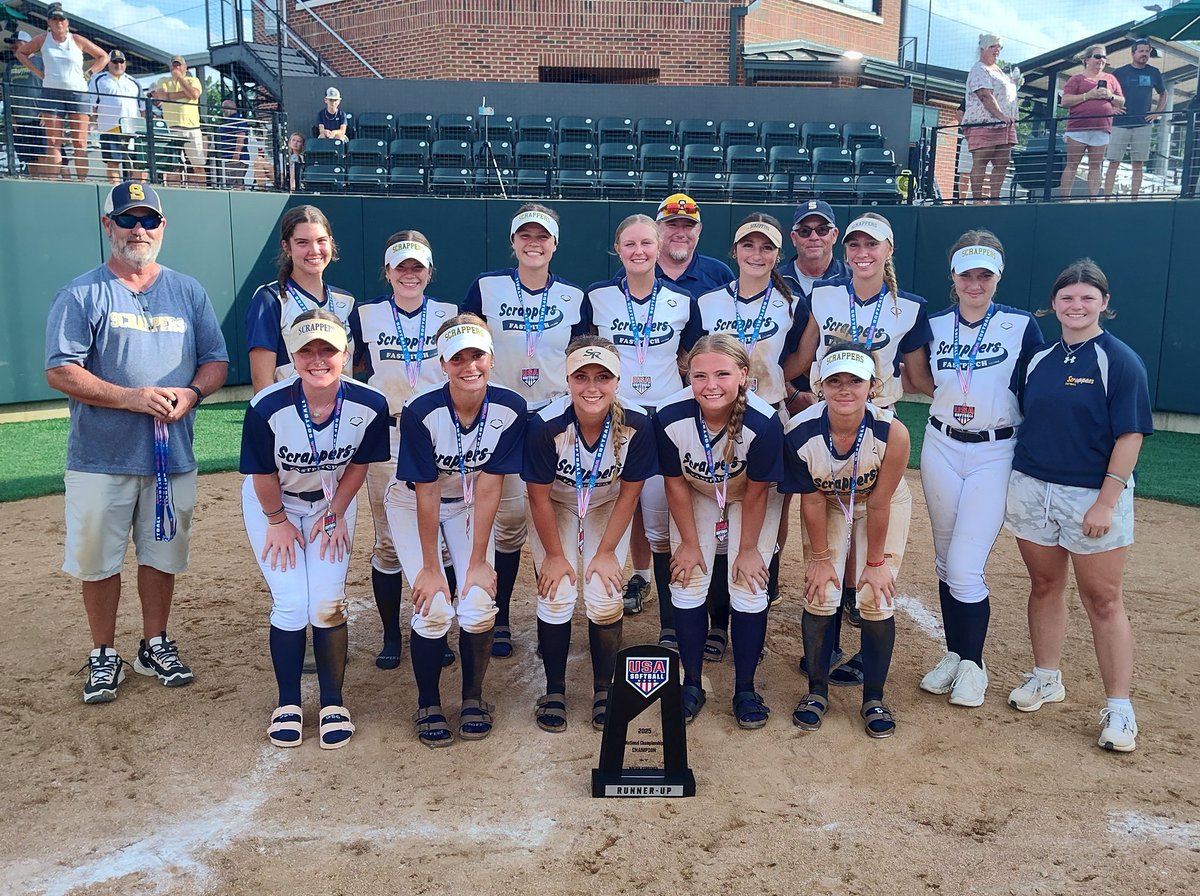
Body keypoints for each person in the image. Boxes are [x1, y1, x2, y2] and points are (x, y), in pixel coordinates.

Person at [44, 181, 229, 704]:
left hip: (172, 456)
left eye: (149, 220)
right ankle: (103, 652)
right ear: (108, 226)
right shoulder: (82, 292)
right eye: (128, 219)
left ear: (163, 228)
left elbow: (216, 360)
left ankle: (155, 642)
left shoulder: (188, 291)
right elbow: (60, 370)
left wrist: (192, 393)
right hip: (100, 458)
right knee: (98, 560)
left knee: (162, 553)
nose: (139, 229)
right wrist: (130, 398)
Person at [1005, 260, 1152, 753]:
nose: (1076, 306)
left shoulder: (1119, 360)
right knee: (1044, 585)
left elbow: (1130, 436)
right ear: (1054, 304)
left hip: (1091, 494)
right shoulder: (1039, 358)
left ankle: (1119, 707)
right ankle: (1047, 677)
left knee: (1104, 600)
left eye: (1088, 298)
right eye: (1068, 297)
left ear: (1104, 304)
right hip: (1033, 486)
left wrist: (1106, 502)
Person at [788, 212, 932, 667]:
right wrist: (787, 389)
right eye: (855, 245)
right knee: (830, 525)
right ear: (844, 250)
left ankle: (855, 606)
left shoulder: (909, 307)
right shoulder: (824, 294)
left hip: (877, 420)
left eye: (873, 245)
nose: (862, 253)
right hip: (829, 414)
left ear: (889, 251)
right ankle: (826, 644)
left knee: (868, 514)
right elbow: (802, 358)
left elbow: (920, 375)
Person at [240, 311, 389, 749]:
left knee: (325, 601)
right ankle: (287, 702)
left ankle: (331, 701)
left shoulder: (370, 403)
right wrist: (277, 522)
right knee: (290, 603)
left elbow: (359, 463)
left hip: (332, 503)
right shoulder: (267, 405)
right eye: (307, 350)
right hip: (275, 504)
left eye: (328, 349)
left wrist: (336, 512)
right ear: (292, 355)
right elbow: (262, 472)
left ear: (347, 353)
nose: (318, 359)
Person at [386, 315, 527, 747]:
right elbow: (425, 491)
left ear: (491, 357)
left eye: (477, 355)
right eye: (458, 357)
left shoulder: (510, 407)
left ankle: (472, 697)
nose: (470, 366)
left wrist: (480, 561)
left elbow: (489, 486)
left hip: (468, 503)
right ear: (443, 363)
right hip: (414, 504)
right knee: (433, 607)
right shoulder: (421, 410)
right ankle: (428, 701)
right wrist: (432, 567)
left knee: (479, 602)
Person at [917, 231, 1043, 708]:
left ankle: (974, 666)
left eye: (984, 275)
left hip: (995, 450)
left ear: (997, 277)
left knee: (966, 569)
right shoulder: (935, 324)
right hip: (942, 444)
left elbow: (1036, 389)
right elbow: (919, 378)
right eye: (966, 274)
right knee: (945, 561)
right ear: (954, 276)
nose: (975, 283)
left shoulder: (1019, 324)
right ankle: (955, 654)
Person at [462, 205, 584, 658]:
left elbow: (583, 354)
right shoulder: (486, 287)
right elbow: (467, 341)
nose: (534, 243)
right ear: (513, 242)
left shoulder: (574, 296)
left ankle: (552, 611)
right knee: (510, 523)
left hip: (555, 415)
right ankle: (501, 617)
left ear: (555, 244)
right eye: (525, 235)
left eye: (543, 236)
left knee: (553, 510)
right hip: (504, 413)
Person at [578, 214, 702, 647]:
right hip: (616, 414)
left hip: (663, 417)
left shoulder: (684, 300)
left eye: (646, 243)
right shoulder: (598, 298)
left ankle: (669, 620)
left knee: (658, 517)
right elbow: (584, 355)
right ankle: (616, 589)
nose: (639, 251)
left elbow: (694, 356)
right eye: (629, 244)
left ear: (660, 245)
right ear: (618, 248)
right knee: (611, 505)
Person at [522, 336, 657, 732]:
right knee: (558, 590)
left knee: (603, 592)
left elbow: (631, 492)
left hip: (606, 503)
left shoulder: (637, 423)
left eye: (603, 376)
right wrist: (555, 555)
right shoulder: (546, 424)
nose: (592, 387)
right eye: (581, 377)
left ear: (618, 380)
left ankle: (603, 688)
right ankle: (555, 689)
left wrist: (605, 552)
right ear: (567, 379)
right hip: (558, 505)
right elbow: (539, 497)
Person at [614, 193, 736, 620]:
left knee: (694, 492)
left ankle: (713, 579)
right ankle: (643, 575)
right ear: (658, 232)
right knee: (635, 498)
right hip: (627, 409)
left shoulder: (716, 276)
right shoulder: (615, 286)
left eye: (688, 225)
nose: (679, 231)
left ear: (698, 230)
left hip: (681, 405)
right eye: (671, 225)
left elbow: (702, 347)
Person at [782, 343, 911, 738]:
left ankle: (874, 697)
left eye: (855, 381)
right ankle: (816, 691)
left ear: (872, 386)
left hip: (879, 501)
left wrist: (874, 564)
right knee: (821, 591)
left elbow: (881, 503)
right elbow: (812, 500)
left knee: (876, 597)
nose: (844, 389)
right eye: (834, 381)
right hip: (829, 502)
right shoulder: (800, 430)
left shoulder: (893, 431)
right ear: (820, 384)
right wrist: (820, 558)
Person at [656, 334, 784, 728]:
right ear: (687, 376)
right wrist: (691, 544)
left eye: (723, 374)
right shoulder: (668, 415)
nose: (710, 385)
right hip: (697, 490)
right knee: (688, 578)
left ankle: (745, 688)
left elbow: (760, 490)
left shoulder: (763, 421)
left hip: (750, 495)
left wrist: (748, 550)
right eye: (700, 375)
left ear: (743, 375)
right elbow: (675, 482)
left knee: (748, 584)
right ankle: (692, 683)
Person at [348, 232, 457, 670]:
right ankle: (392, 633)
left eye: (418, 266)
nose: (409, 274)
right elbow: (353, 367)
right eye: (401, 266)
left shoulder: (450, 314)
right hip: (388, 433)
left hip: (439, 432)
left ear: (429, 272)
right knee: (389, 541)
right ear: (388, 271)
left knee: (443, 538)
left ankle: (439, 626)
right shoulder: (366, 314)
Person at [694, 214, 800, 657]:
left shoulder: (792, 301)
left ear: (777, 255)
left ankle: (757, 598)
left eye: (767, 248)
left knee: (769, 510)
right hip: (716, 415)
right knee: (720, 513)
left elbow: (798, 359)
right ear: (734, 252)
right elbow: (696, 358)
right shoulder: (709, 301)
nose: (757, 255)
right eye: (748, 246)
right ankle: (719, 621)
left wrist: (772, 384)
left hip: (767, 415)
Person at [246, 205, 356, 393]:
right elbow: (261, 380)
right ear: (286, 247)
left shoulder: (346, 301)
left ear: (331, 242)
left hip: (341, 412)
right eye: (302, 242)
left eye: (321, 241)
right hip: (292, 413)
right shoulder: (270, 299)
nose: (314, 250)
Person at [15, 6, 108, 181]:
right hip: (52, 93)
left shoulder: (78, 40)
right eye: (55, 19)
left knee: (79, 142)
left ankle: (82, 182)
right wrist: (38, 72)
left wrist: (89, 74)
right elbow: (21, 52)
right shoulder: (42, 40)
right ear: (49, 22)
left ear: (67, 23)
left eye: (61, 19)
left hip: (78, 93)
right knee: (53, 141)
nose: (58, 22)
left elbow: (103, 56)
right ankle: (53, 182)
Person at [1103, 37, 1167, 200]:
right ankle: (1106, 199)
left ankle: (1134, 199)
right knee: (1113, 162)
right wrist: (1112, 108)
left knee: (1138, 163)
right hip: (1119, 123)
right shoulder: (1119, 72)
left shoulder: (1154, 72)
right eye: (1141, 51)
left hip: (1143, 124)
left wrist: (1157, 112)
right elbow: (1105, 93)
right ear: (1133, 53)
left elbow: (1163, 93)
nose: (1144, 54)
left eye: (1147, 51)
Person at [1059, 45, 1125, 199]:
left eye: (1104, 57)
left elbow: (1121, 101)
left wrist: (1110, 96)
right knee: (1072, 165)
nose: (1101, 60)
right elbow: (1065, 101)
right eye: (1097, 56)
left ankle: (1093, 200)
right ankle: (1063, 200)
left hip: (1101, 128)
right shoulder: (1076, 78)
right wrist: (1088, 95)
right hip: (1077, 129)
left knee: (1096, 166)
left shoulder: (1111, 79)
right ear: (1087, 59)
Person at [962, 33, 1018, 203]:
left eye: (999, 47)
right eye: (993, 46)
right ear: (983, 49)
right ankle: (978, 199)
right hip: (983, 123)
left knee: (1002, 161)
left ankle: (995, 198)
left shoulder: (998, 70)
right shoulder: (979, 69)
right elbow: (985, 95)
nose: (997, 50)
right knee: (982, 159)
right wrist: (1000, 115)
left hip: (1005, 125)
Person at [88, 49, 144, 184]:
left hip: (133, 130)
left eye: (121, 62)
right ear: (108, 63)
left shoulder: (134, 82)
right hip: (109, 128)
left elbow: (142, 108)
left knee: (137, 164)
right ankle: (116, 189)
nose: (118, 65)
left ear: (125, 64)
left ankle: (138, 191)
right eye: (114, 61)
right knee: (113, 162)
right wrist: (91, 125)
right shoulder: (98, 79)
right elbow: (92, 106)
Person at [150, 55, 204, 187]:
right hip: (171, 129)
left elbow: (195, 94)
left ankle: (205, 191)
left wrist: (179, 79)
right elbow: (162, 97)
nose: (176, 67)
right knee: (172, 166)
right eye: (174, 65)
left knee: (198, 165)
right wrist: (185, 94)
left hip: (192, 128)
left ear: (185, 67)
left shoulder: (193, 80)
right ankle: (174, 192)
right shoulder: (163, 80)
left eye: (179, 65)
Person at [5, 30, 48, 176]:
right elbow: (7, 93)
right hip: (20, 122)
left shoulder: (42, 62)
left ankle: (46, 186)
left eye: (16, 43)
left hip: (39, 119)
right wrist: (11, 117)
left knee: (44, 155)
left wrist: (47, 111)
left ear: (27, 44)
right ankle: (36, 186)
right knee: (29, 159)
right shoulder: (10, 66)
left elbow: (50, 86)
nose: (13, 46)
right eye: (12, 44)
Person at [214, 99, 250, 189]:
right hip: (227, 159)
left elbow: (241, 137)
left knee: (236, 183)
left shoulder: (237, 119)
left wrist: (236, 155)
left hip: (236, 159)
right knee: (231, 183)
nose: (223, 111)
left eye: (224, 108)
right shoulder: (228, 121)